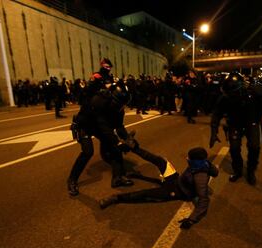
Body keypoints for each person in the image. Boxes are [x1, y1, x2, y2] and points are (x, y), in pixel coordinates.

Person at [99, 132, 219, 230]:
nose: (186, 158)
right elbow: (215, 172)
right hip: (176, 179)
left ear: (194, 161)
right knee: (160, 160)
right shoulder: (204, 163)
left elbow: (204, 200)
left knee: (147, 194)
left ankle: (116, 198)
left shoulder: (200, 177)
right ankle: (134, 147)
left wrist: (192, 219)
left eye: (189, 158)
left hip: (177, 191)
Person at [67, 58, 133, 196]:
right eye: (120, 103)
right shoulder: (98, 103)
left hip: (98, 125)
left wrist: (128, 139)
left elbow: (119, 126)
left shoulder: (117, 108)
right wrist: (118, 141)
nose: (121, 107)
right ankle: (72, 180)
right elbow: (105, 128)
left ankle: (118, 178)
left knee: (115, 149)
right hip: (85, 124)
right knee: (88, 152)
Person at [209, 73, 262, 185]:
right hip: (235, 123)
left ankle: (250, 171)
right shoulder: (225, 96)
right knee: (234, 148)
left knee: (254, 147)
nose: (231, 96)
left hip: (252, 121)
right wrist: (214, 132)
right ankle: (238, 171)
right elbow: (216, 114)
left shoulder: (255, 92)